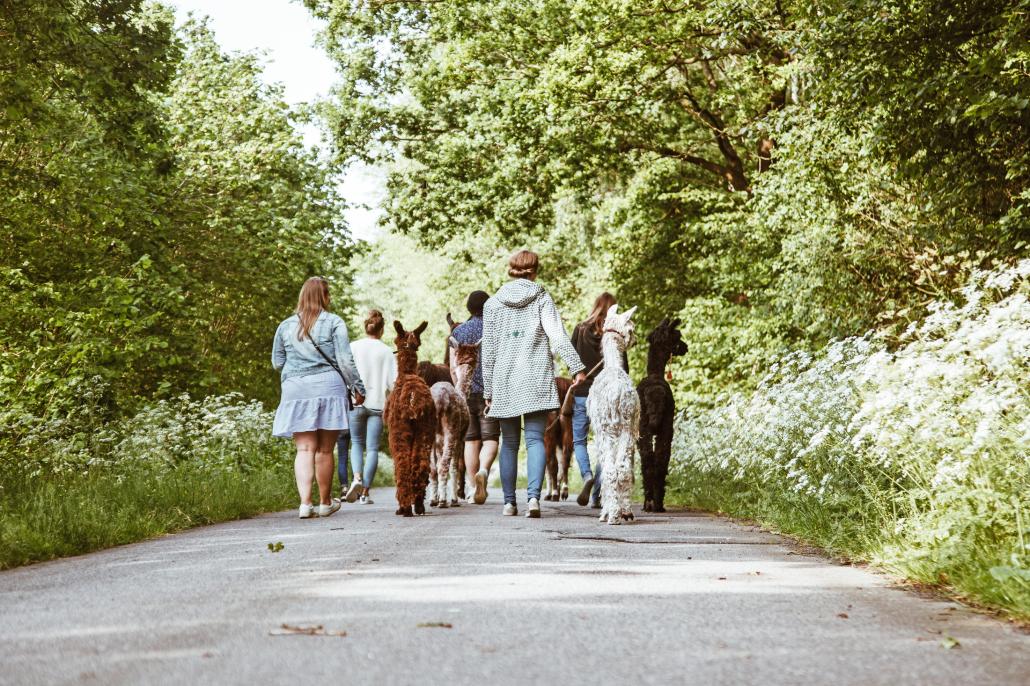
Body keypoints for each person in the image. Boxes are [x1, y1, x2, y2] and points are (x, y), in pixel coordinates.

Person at [481, 250, 586, 518]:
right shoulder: (541, 298)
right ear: (535, 270)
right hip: (535, 377)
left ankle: (508, 503)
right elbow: (558, 337)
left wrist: (488, 390)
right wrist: (577, 367)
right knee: (535, 439)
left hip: (504, 379)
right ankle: (533, 500)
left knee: (509, 443)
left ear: (511, 269)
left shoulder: (492, 304)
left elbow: (489, 351)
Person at [272, 277, 366, 519]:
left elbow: (277, 363)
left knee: (304, 449)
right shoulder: (334, 322)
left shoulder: (285, 326)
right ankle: (325, 503)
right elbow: (345, 360)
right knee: (325, 450)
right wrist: (358, 388)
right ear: (325, 296)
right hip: (328, 387)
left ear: (302, 296)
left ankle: (305, 504)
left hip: (295, 389)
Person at [571, 292, 629, 508]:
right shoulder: (615, 333)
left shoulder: (580, 329)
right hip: (607, 394)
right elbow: (622, 367)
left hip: (582, 391)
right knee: (606, 442)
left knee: (579, 439)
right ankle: (598, 495)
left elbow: (572, 358)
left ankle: (586, 475)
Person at [344, 309, 396, 505]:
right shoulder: (386, 351)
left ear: (365, 327)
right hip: (377, 405)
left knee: (356, 443)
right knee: (372, 448)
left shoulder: (353, 347)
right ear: (381, 330)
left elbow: (345, 372)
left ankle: (356, 478)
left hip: (356, 402)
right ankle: (365, 493)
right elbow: (393, 384)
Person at [451, 290, 498, 504]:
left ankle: (471, 488)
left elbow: (453, 367)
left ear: (469, 309)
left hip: (466, 392)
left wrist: (457, 389)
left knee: (471, 440)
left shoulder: (458, 332)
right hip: (492, 392)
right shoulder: (496, 329)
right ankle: (484, 472)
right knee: (491, 439)